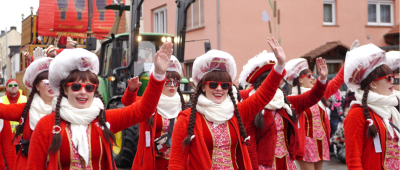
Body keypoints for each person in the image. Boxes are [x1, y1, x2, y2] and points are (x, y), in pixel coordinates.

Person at [27, 43, 173, 169]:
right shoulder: (46, 126)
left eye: (89, 87)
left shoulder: (104, 119)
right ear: (65, 89)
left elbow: (144, 110)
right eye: (76, 86)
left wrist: (158, 75)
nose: (83, 92)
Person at [169, 37, 286, 169]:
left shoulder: (236, 112)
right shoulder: (186, 119)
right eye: (213, 84)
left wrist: (279, 66)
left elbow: (262, 96)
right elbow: (176, 162)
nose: (219, 89)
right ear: (203, 87)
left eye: (225, 85)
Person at [238, 50, 328, 170]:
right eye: (273, 78)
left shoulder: (284, 101)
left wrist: (322, 79)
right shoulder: (253, 106)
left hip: (286, 162)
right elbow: (250, 145)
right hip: (265, 165)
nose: (278, 81)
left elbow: (312, 97)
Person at [121, 56, 186, 169]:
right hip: (152, 163)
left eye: (175, 82)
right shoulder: (149, 103)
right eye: (167, 81)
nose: (171, 85)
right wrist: (131, 90)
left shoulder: (183, 105)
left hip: (175, 164)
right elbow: (128, 103)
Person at [344, 41, 400, 170]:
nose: (393, 81)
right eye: (389, 77)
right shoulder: (356, 113)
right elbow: (353, 160)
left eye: (393, 76)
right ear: (373, 84)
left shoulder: (391, 107)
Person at [284, 56, 344, 170]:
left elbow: (337, 81)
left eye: (313, 75)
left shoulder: (319, 95)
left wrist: (350, 59)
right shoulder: (294, 100)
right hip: (305, 143)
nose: (313, 78)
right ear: (300, 80)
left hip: (320, 141)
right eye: (309, 76)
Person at [0, 57, 54, 170]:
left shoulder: (67, 109)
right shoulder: (27, 109)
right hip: (29, 163)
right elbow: (4, 111)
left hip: (54, 162)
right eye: (46, 82)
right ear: (37, 86)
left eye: (54, 82)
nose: (51, 85)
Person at [0, 78, 28, 152]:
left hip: (22, 138)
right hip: (6, 138)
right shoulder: (1, 100)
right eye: (10, 85)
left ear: (18, 87)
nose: (13, 86)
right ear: (6, 87)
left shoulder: (26, 99)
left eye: (15, 85)